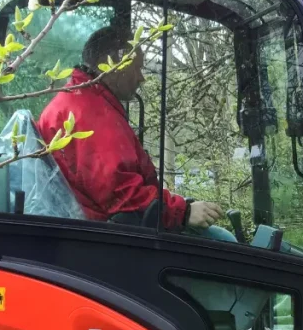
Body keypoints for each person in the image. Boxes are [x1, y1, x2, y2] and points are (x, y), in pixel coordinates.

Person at [38, 27, 223, 230]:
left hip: (94, 229)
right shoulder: (91, 113)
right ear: (117, 65)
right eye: (137, 68)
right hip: (102, 237)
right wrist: (183, 212)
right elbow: (122, 196)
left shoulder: (82, 100)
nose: (141, 78)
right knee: (221, 240)